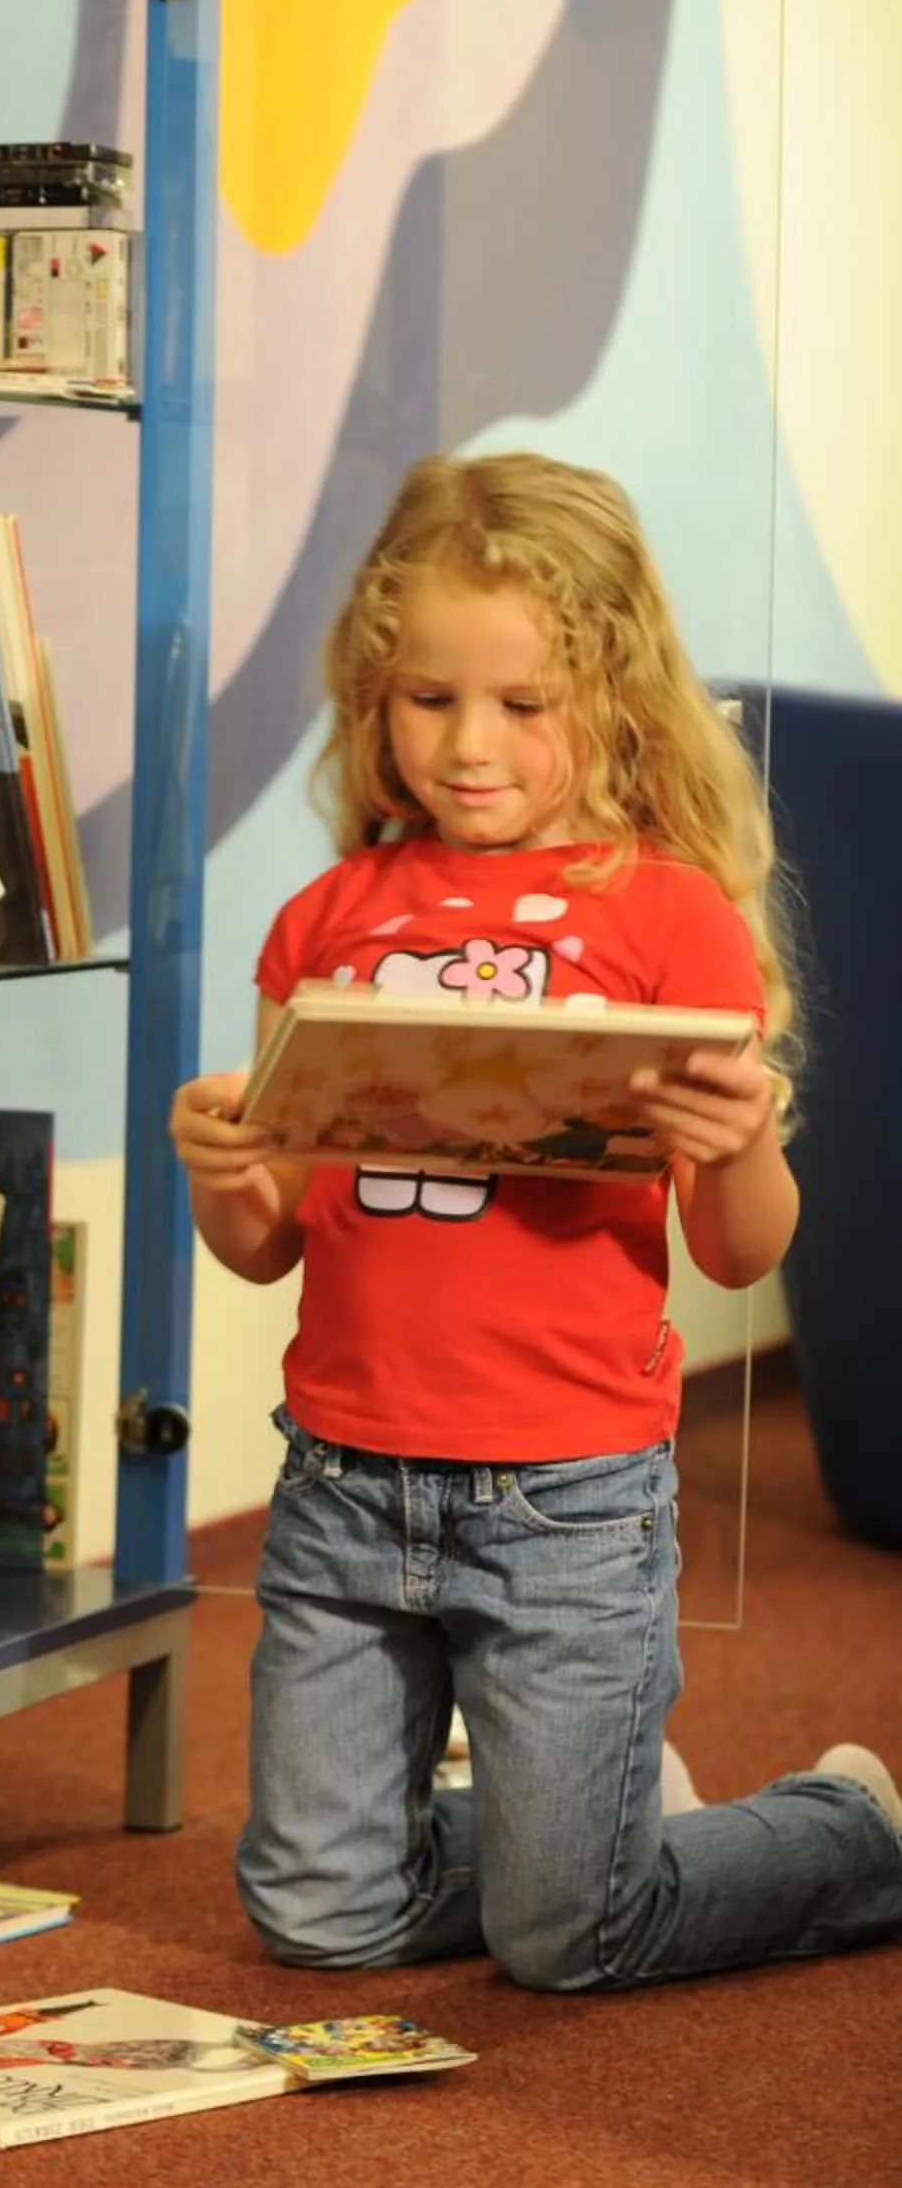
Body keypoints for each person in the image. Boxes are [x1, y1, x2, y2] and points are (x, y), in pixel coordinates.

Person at [169, 450, 902, 1991]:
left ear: (615, 699)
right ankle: (586, 1832)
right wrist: (223, 1172)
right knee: (315, 1921)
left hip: (567, 1503)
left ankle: (845, 1827)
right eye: (428, 699)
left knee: (573, 1941)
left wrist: (748, 1137)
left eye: (523, 703)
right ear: (377, 695)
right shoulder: (332, 919)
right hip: (347, 1484)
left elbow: (739, 1249)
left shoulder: (666, 915)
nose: (469, 746)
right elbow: (269, 1242)